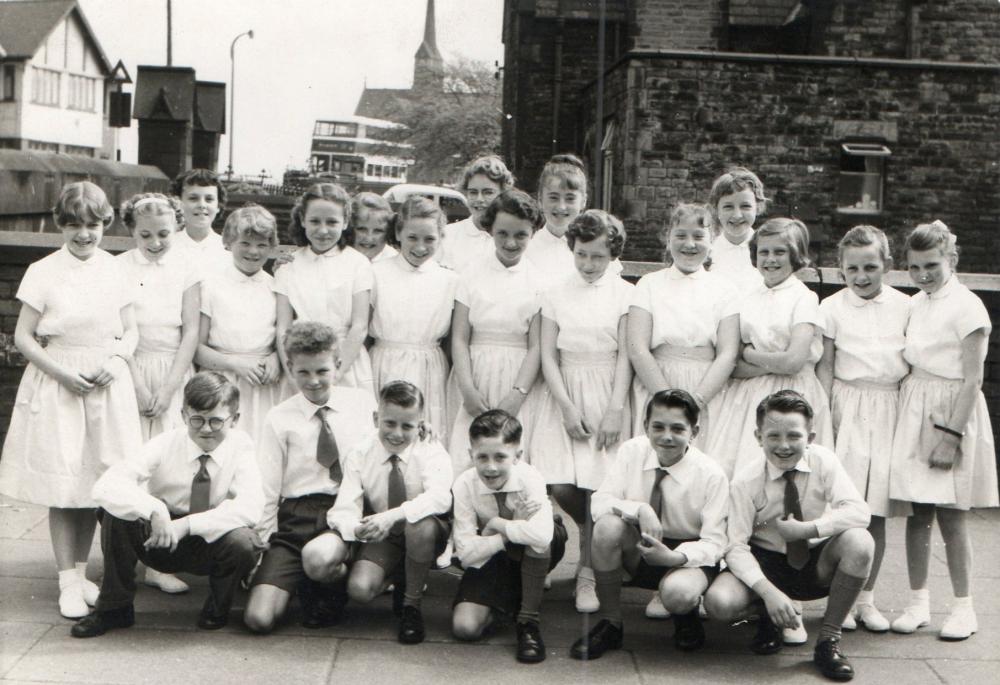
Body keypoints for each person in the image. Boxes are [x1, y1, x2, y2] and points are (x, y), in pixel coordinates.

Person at [0, 181, 142, 619]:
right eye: (75, 225)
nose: (85, 234)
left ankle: (81, 576)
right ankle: (66, 580)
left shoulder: (117, 269)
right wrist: (63, 374)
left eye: (94, 225)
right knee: (64, 485)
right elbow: (24, 337)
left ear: (106, 224)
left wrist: (116, 362)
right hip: (60, 380)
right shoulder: (43, 270)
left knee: (93, 484)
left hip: (105, 382)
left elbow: (131, 330)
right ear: (61, 224)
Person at [70, 372, 265, 637]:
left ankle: (218, 608)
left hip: (206, 538)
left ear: (235, 419)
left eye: (216, 421)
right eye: (197, 420)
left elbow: (251, 506)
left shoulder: (242, 446)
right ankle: (114, 608)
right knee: (115, 512)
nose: (206, 429)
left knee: (245, 541)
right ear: (183, 415)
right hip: (158, 537)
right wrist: (154, 509)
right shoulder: (165, 442)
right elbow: (106, 485)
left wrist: (186, 525)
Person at [704, 390, 874, 682]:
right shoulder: (746, 481)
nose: (784, 446)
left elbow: (859, 511)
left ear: (811, 436)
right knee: (719, 602)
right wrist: (768, 593)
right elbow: (735, 546)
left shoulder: (824, 462)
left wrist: (810, 529)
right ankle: (766, 615)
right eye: (773, 436)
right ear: (758, 437)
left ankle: (828, 642)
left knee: (860, 542)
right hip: (766, 562)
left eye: (794, 436)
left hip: (812, 561)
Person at [887, 221, 997, 640]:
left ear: (951, 260)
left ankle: (964, 608)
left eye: (932, 265)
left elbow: (972, 381)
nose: (923, 274)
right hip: (915, 407)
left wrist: (951, 436)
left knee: (953, 517)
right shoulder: (915, 303)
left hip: (952, 412)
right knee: (918, 515)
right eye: (915, 267)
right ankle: (918, 603)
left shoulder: (968, 307)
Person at [570, 389, 728, 659]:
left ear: (695, 431)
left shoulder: (711, 474)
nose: (667, 436)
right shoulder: (633, 451)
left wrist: (675, 556)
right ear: (646, 427)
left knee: (678, 593)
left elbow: (716, 542)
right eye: (658, 427)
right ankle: (611, 622)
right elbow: (600, 503)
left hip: (686, 553)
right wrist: (640, 509)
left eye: (678, 428)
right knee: (607, 527)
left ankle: (685, 616)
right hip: (642, 542)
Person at [529, 209, 633, 614]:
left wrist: (615, 409)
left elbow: (626, 354)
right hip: (564, 392)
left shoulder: (625, 294)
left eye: (598, 257)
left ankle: (588, 572)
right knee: (560, 485)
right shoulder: (554, 293)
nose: (589, 265)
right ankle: (590, 542)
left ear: (612, 255)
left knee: (601, 487)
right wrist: (567, 408)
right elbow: (548, 356)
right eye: (582, 255)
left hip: (608, 387)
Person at [244, 322, 376, 633]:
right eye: (303, 372)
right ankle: (303, 577)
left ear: (338, 365)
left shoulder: (363, 405)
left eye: (322, 371)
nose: (314, 381)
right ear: (290, 368)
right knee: (258, 619)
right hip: (296, 517)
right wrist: (263, 546)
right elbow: (268, 486)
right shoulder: (279, 417)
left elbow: (387, 447)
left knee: (317, 560)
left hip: (342, 511)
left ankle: (335, 579)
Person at [303, 381, 453, 644]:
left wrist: (394, 515)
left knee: (420, 524)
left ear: (420, 425)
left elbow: (440, 498)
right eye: (389, 423)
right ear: (376, 419)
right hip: (385, 535)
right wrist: (357, 529)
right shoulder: (362, 451)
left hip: (419, 533)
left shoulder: (430, 449)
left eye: (407, 426)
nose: (397, 433)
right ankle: (384, 579)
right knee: (359, 589)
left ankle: (411, 606)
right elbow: (344, 508)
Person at [816, 225, 910, 632]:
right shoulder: (832, 308)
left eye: (870, 266)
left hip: (889, 407)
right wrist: (825, 417)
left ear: (887, 265)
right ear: (840, 269)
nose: (861, 276)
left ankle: (866, 601)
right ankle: (839, 600)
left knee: (877, 513)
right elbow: (826, 366)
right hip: (846, 408)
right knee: (843, 508)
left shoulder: (907, 306)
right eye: (852, 268)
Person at [118, 192, 203, 596]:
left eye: (164, 234)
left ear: (177, 228)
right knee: (134, 466)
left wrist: (170, 388)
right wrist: (135, 382)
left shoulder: (187, 267)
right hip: (133, 370)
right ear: (131, 231)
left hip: (174, 371)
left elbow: (191, 331)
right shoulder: (118, 269)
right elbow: (119, 331)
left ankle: (159, 562)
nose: (155, 242)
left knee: (170, 470)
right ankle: (127, 559)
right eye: (146, 234)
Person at [707, 218, 834, 479]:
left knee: (790, 473)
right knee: (743, 472)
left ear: (796, 255)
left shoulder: (804, 298)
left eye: (780, 252)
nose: (771, 259)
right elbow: (734, 366)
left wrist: (750, 354)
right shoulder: (747, 297)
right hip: (749, 398)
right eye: (764, 252)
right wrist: (760, 362)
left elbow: (793, 362)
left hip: (794, 395)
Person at [452, 410, 567, 663]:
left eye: (500, 457)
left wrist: (496, 524)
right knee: (465, 627)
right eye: (482, 457)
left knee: (540, 541)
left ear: (517, 456)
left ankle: (528, 621)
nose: (491, 467)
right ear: (471, 454)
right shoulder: (463, 484)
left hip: (531, 547)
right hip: (494, 555)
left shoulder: (530, 477)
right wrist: (508, 531)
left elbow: (541, 535)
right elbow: (465, 553)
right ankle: (514, 597)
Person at [627, 203, 740, 451]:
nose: (690, 244)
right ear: (667, 239)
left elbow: (728, 353)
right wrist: (667, 401)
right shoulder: (649, 284)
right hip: (657, 382)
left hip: (706, 387)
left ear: (712, 242)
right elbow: (637, 349)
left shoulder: (725, 289)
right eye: (680, 236)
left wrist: (696, 401)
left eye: (699, 236)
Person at [447, 190, 546, 476]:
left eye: (520, 235)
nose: (510, 242)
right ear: (490, 229)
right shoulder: (470, 274)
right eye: (502, 233)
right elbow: (460, 337)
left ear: (533, 233)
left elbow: (536, 346)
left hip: (517, 377)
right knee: (466, 459)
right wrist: (467, 389)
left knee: (512, 459)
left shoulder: (539, 282)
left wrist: (517, 395)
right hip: (474, 374)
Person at [370, 195, 458, 444]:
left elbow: (451, 341)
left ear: (441, 238)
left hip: (429, 368)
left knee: (425, 438)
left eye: (429, 239)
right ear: (398, 234)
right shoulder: (376, 273)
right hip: (385, 363)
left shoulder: (449, 280)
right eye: (412, 237)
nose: (420, 246)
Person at [275, 182, 374, 395]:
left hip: (346, 364)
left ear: (346, 221)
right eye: (314, 221)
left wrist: (335, 375)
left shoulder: (358, 264)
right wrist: (294, 375)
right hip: (301, 365)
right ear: (302, 220)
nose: (323, 230)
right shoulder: (289, 265)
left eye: (332, 222)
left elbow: (359, 326)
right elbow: (283, 328)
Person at [196, 205, 282, 446]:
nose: (253, 251)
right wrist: (234, 364)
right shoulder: (211, 286)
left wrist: (276, 358)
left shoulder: (276, 286)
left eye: (262, 244)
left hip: (263, 384)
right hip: (220, 382)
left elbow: (282, 337)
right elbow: (197, 349)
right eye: (245, 243)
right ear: (229, 242)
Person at [526, 154, 622, 291]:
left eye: (570, 199)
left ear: (583, 201)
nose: (561, 206)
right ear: (540, 200)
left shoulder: (598, 245)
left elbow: (612, 293)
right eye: (553, 197)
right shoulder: (527, 246)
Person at [437, 155, 515, 273]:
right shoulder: (447, 235)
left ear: (503, 194)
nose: (479, 199)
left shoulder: (513, 239)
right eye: (473, 192)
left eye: (488, 192)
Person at [706, 166, 766, 293]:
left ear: (758, 207)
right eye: (728, 207)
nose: (737, 215)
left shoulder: (767, 249)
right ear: (716, 210)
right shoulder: (708, 251)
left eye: (745, 206)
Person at [170, 168, 229, 269]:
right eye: (193, 198)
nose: (202, 205)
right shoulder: (168, 246)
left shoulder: (227, 248)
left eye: (209, 199)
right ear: (178, 203)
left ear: (218, 206)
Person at [349, 191, 398, 263]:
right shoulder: (339, 258)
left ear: (388, 232)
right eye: (361, 229)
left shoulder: (394, 260)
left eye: (378, 231)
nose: (369, 238)